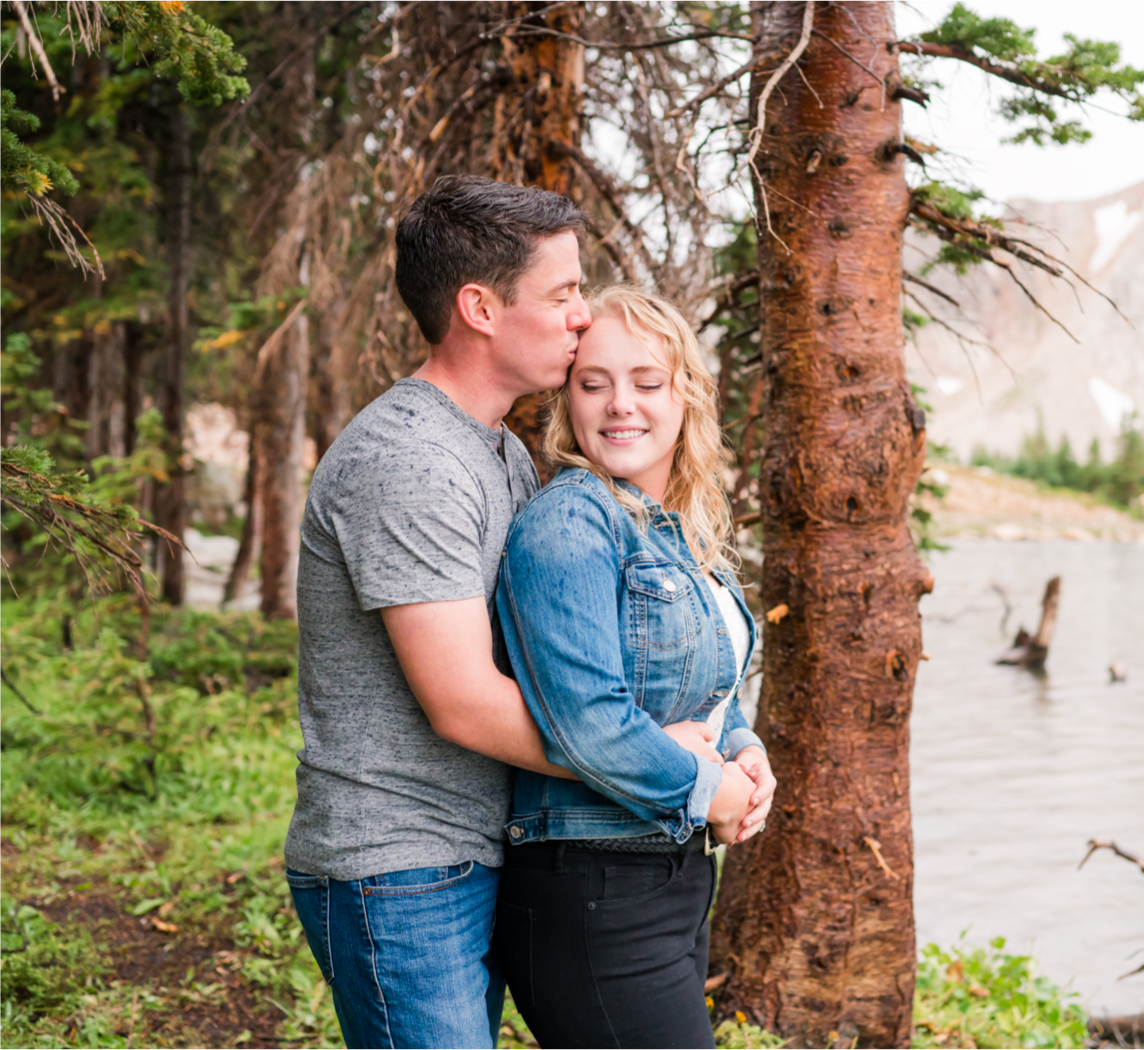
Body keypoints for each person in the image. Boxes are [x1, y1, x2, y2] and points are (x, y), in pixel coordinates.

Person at [282, 178, 712, 1049]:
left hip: (473, 849)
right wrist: (667, 764)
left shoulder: (500, 455)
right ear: (479, 307)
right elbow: (465, 701)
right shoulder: (409, 460)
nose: (581, 318)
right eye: (562, 294)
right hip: (398, 862)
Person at [494, 285, 777, 1049]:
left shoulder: (674, 530)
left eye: (647, 382)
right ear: (568, 400)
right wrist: (712, 790)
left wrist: (745, 751)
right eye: (595, 384)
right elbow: (588, 721)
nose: (621, 405)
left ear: (686, 396)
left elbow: (704, 688)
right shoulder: (571, 522)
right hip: (593, 883)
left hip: (669, 876)